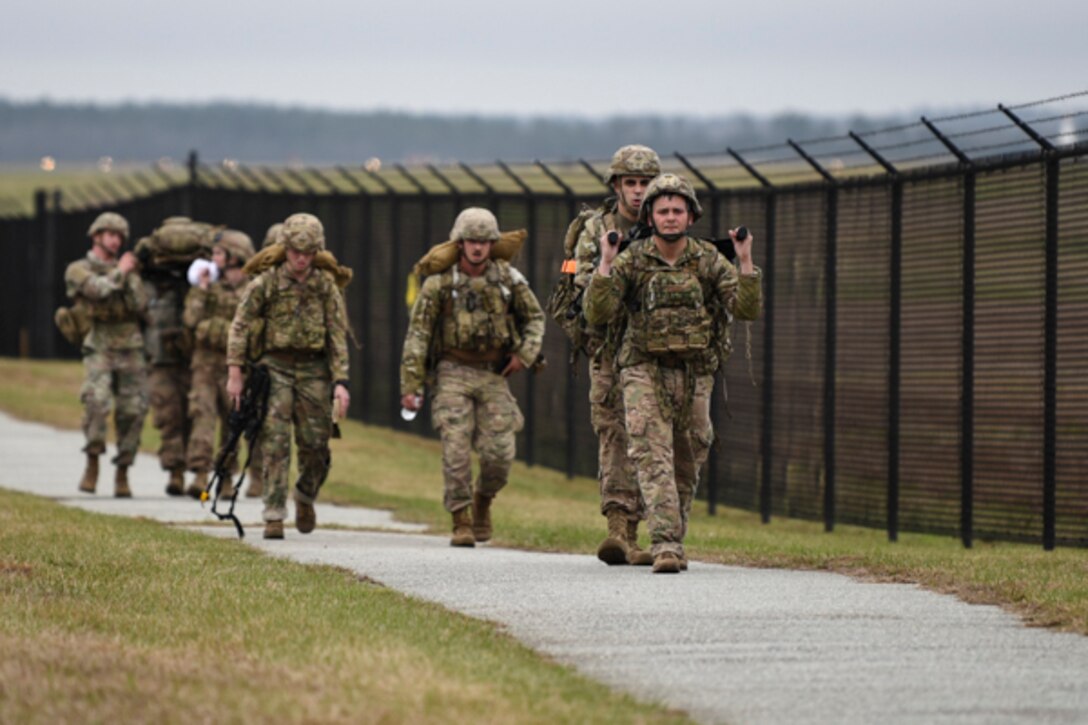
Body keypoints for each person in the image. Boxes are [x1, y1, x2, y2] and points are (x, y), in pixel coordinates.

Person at [584, 174, 762, 573]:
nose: (669, 218)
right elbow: (599, 313)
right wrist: (606, 266)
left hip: (695, 371)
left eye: (677, 211)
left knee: (689, 454)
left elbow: (747, 309)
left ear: (691, 216)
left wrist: (745, 259)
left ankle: (672, 534)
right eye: (662, 211)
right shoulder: (633, 258)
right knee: (651, 452)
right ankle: (665, 544)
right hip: (642, 369)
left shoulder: (706, 259)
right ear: (650, 215)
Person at [400, 208, 544, 547]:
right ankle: (461, 518)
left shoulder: (509, 280)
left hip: (494, 374)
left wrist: (524, 354)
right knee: (455, 447)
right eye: (470, 241)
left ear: (492, 244)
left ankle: (483, 499)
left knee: (500, 455)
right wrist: (411, 384)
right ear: (459, 243)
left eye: (483, 241)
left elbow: (535, 318)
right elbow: (418, 335)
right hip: (452, 371)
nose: (477, 248)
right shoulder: (439, 285)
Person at [226, 213, 350, 540]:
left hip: (314, 371)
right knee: (275, 440)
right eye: (295, 251)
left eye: (307, 253)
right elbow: (239, 325)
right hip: (275, 367)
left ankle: (306, 494)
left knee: (316, 444)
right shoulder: (266, 283)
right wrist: (235, 371)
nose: (300, 259)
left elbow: (337, 335)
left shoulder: (325, 286)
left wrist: (341, 383)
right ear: (285, 249)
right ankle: (274, 513)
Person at [571, 144, 660, 566]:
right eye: (631, 183)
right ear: (617, 186)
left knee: (649, 434)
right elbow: (587, 289)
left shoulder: (667, 223)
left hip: (652, 349)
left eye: (645, 183)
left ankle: (641, 529)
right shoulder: (596, 230)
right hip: (608, 346)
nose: (639, 192)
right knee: (613, 431)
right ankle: (617, 527)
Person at [64, 212, 150, 497]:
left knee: (133, 410)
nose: (115, 240)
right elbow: (96, 290)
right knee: (97, 403)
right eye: (110, 234)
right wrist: (121, 273)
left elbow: (140, 305)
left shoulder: (128, 270)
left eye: (119, 236)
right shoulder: (78, 269)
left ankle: (123, 471)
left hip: (130, 346)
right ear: (97, 236)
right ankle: (92, 462)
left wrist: (130, 276)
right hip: (99, 343)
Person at [183, 230, 259, 499]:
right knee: (201, 415)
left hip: (235, 368)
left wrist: (216, 328)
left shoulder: (252, 290)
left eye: (219, 253)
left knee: (232, 424)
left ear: (234, 256)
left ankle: (226, 478)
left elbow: (253, 329)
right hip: (205, 364)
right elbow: (191, 320)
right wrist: (201, 291)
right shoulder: (208, 286)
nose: (213, 259)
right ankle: (201, 474)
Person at [137, 224, 195, 496]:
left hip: (190, 359)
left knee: (193, 415)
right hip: (159, 361)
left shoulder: (194, 283)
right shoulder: (144, 284)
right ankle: (175, 471)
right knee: (168, 415)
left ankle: (197, 473)